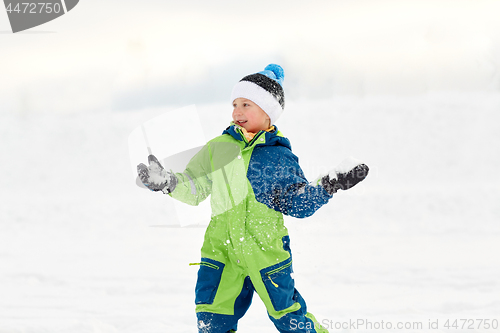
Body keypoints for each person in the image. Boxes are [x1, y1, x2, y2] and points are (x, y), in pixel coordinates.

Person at [137, 64, 369, 333]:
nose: (237, 111)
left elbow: (297, 203)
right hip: (220, 250)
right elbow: (195, 186)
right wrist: (168, 182)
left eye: (246, 104)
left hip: (266, 252)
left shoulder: (278, 157)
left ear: (267, 111)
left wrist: (330, 184)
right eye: (235, 104)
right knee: (211, 318)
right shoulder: (218, 147)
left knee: (288, 317)